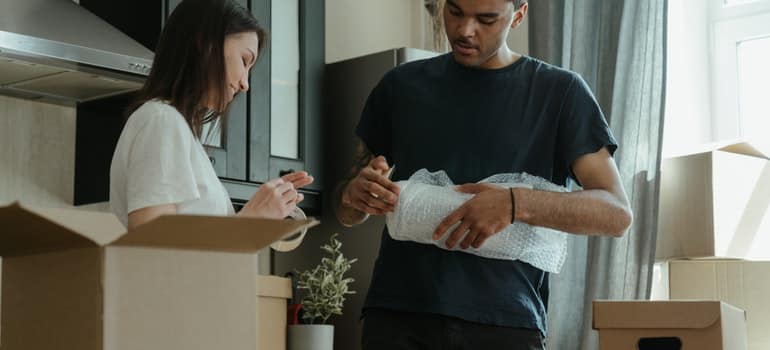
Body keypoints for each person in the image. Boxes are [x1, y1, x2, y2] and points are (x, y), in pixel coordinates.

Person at [333, 0, 633, 349]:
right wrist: (353, 195)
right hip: (397, 317)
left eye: (486, 19)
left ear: (518, 16)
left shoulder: (561, 92)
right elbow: (346, 212)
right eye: (455, 11)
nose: (464, 30)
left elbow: (616, 213)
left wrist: (515, 203)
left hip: (505, 323)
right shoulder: (399, 86)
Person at [110, 0, 312, 229]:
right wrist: (252, 218)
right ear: (205, 44)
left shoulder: (178, 129)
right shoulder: (161, 120)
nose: (245, 84)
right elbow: (153, 246)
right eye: (244, 61)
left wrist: (264, 210)